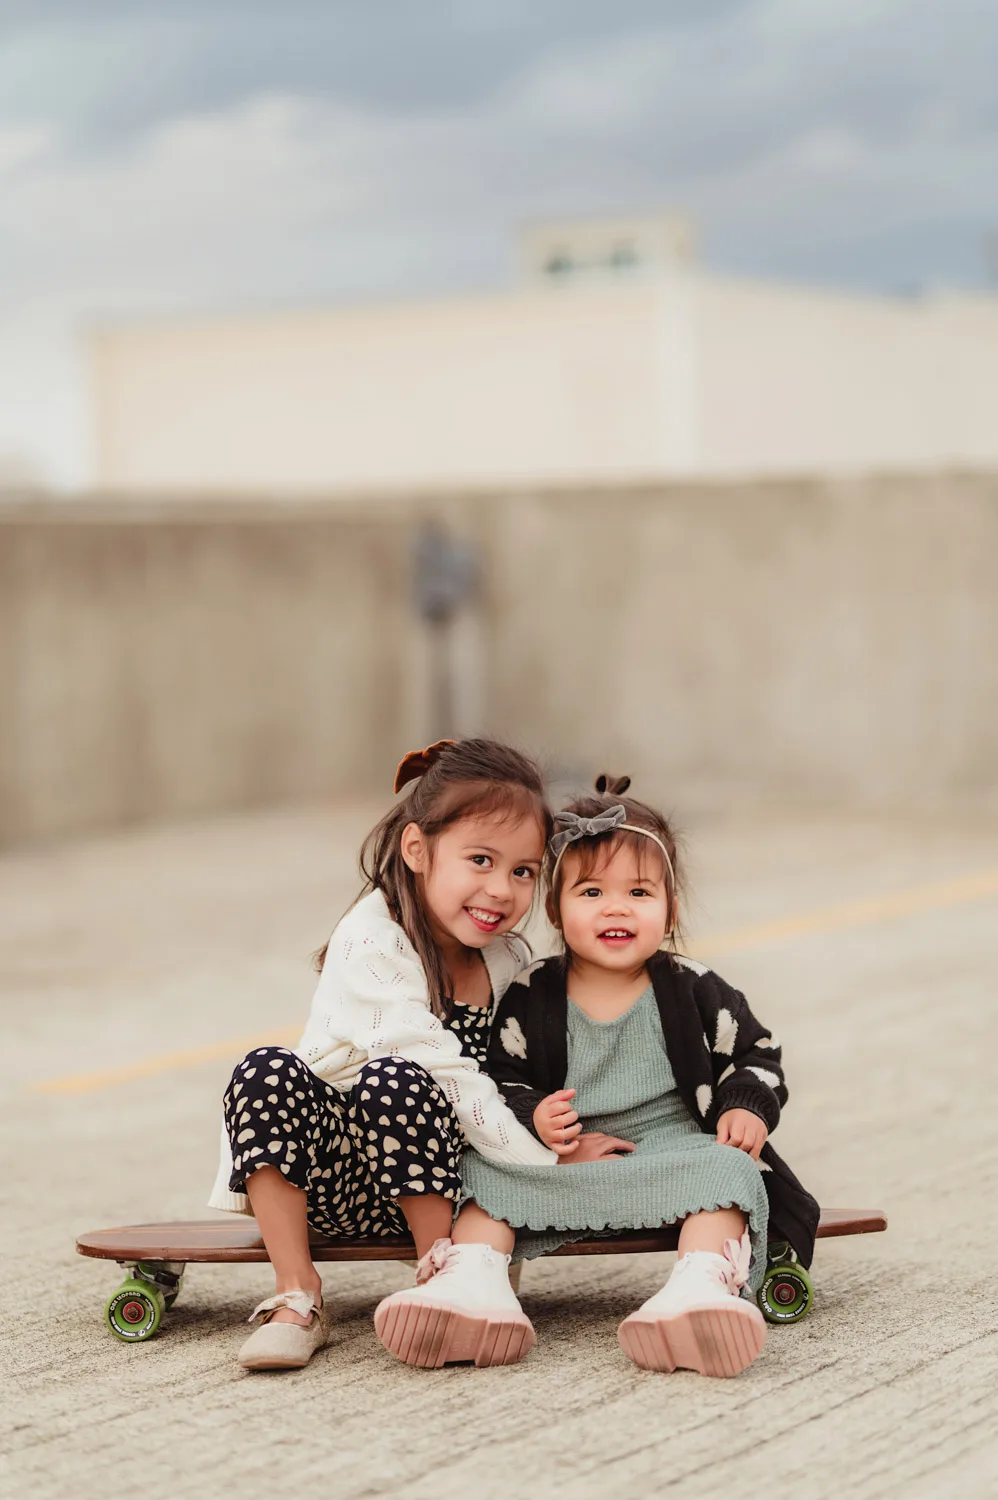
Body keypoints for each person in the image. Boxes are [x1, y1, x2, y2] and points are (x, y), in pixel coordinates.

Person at [375, 776, 819, 1377]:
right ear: (556, 909)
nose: (616, 907)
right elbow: (498, 1074)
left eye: (639, 891)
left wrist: (745, 1105)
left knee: (731, 1170)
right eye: (590, 892)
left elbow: (757, 1053)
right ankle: (471, 1288)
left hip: (671, 1149)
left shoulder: (694, 989)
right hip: (565, 1160)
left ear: (671, 910)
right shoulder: (534, 993)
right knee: (481, 1172)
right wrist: (535, 1117)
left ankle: (699, 1290)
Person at [210, 737, 561, 1371]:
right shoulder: (371, 938)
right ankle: (298, 1294)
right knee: (279, 1069)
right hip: (331, 1178)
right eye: (480, 860)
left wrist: (558, 1129)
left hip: (446, 1186)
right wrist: (546, 1167)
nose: (502, 890)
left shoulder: (509, 959)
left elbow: (519, 1073)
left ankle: (447, 1279)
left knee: (403, 1084)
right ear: (418, 850)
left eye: (522, 871)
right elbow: (440, 1070)